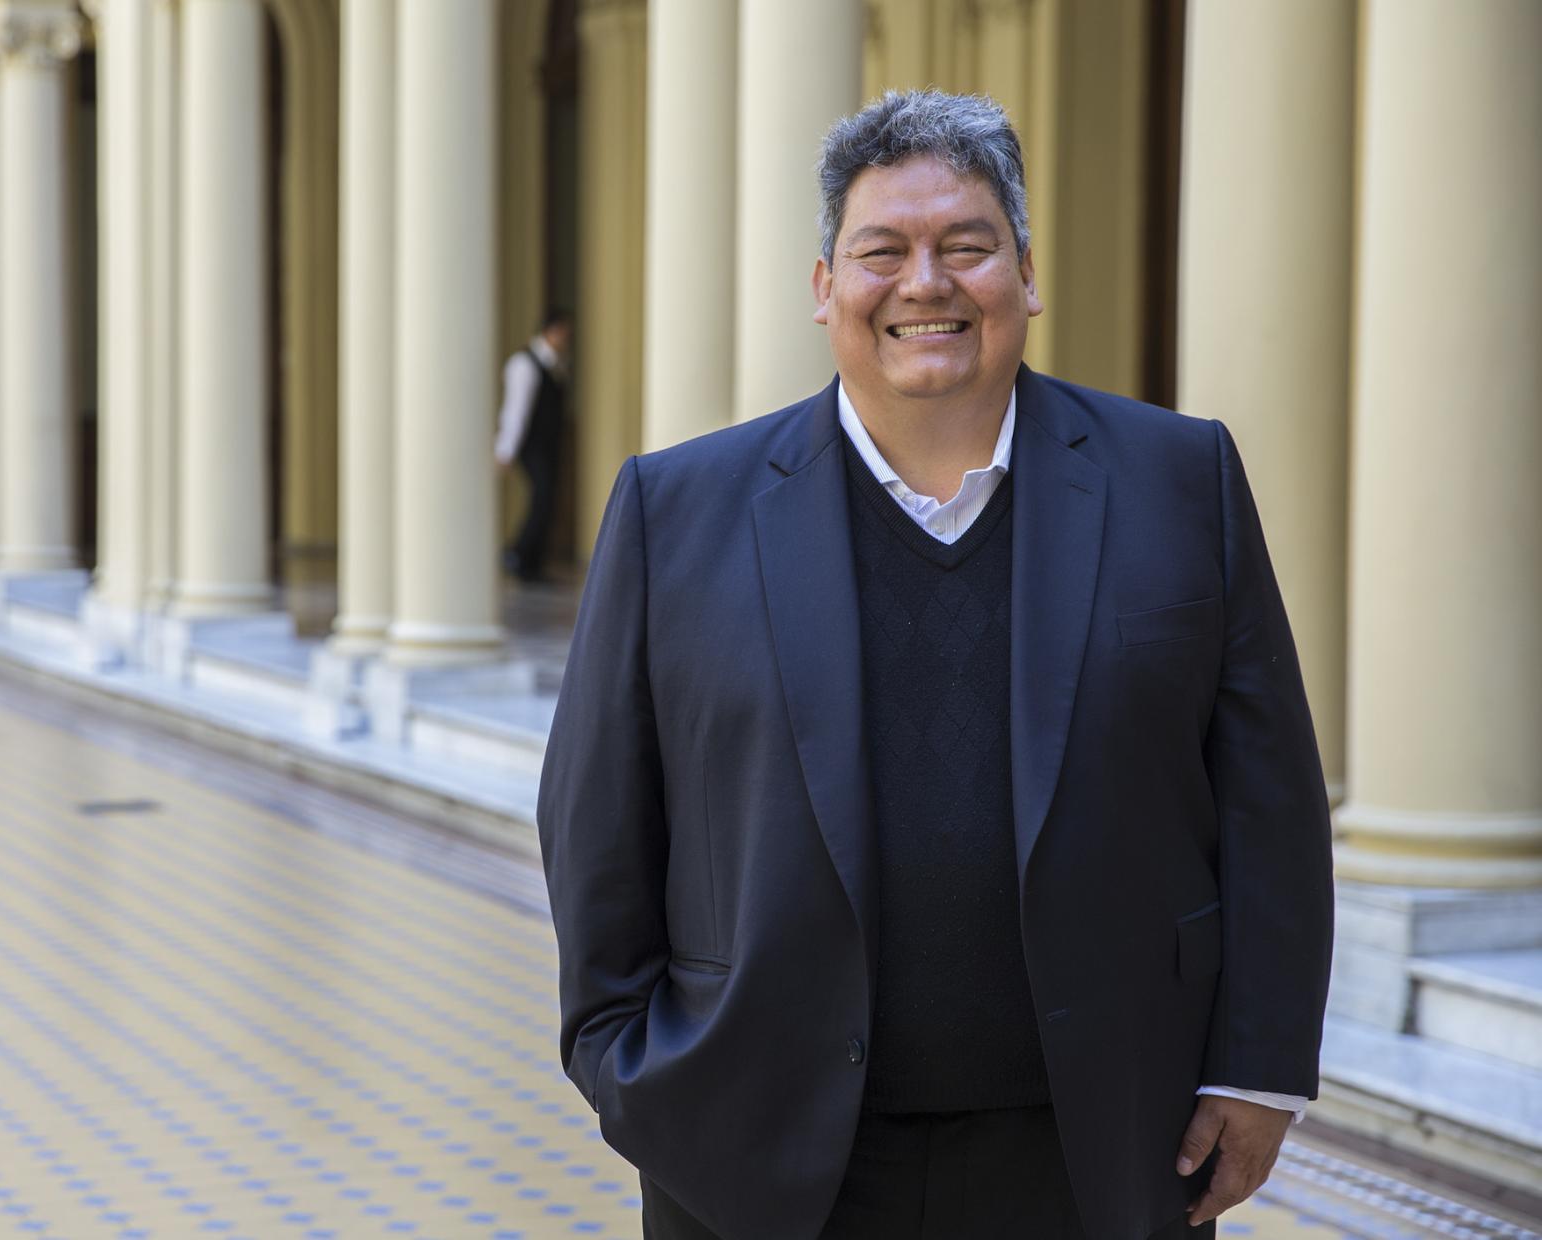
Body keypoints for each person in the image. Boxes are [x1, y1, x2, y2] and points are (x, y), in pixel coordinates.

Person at [537, 91, 1333, 1240]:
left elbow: (1270, 797)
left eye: (968, 246)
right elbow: (596, 817)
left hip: (1104, 1148)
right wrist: (628, 1072)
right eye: (883, 252)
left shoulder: (1179, 478)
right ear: (825, 288)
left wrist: (1259, 1069)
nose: (926, 283)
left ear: (1025, 275)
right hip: (764, 1161)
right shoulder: (678, 509)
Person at [495, 308, 573, 582]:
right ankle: (519, 554)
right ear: (550, 331)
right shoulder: (524, 364)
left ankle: (532, 561)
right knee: (542, 496)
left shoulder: (555, 363)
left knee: (547, 498)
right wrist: (505, 449)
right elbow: (516, 409)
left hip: (548, 444)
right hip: (532, 445)